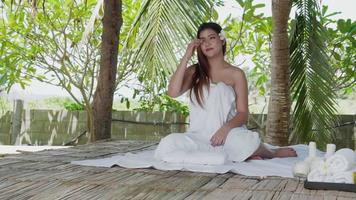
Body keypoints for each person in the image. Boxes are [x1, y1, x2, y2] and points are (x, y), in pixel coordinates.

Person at [154, 22, 297, 164]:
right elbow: (172, 92)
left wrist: (225, 129)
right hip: (198, 136)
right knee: (168, 143)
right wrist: (186, 56)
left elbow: (242, 113)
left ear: (222, 40)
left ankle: (271, 153)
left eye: (212, 38)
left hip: (229, 135)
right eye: (202, 40)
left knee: (244, 142)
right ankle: (229, 156)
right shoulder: (195, 72)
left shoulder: (236, 74)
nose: (207, 43)